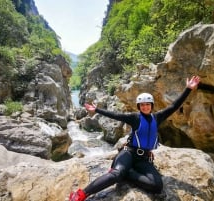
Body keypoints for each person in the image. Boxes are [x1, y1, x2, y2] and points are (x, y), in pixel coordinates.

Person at [69, 75, 201, 201]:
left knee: (157, 186)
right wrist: (97, 110)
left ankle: (126, 173)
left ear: (151, 105)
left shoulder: (158, 117)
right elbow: (116, 115)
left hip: (143, 159)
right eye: (142, 105)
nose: (145, 107)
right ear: (139, 106)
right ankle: (81, 194)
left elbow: (174, 106)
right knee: (116, 174)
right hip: (128, 153)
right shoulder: (135, 118)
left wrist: (188, 89)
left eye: (147, 104)